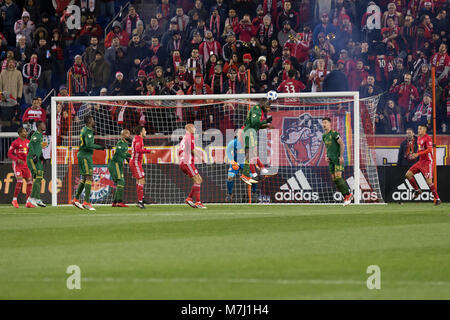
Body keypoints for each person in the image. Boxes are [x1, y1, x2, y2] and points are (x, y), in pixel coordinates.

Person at [72, 116, 106, 211]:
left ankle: (75, 199)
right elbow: (89, 145)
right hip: (85, 156)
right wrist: (101, 147)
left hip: (82, 155)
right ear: (90, 121)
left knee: (84, 178)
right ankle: (86, 202)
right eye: (93, 120)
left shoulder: (84, 129)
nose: (94, 121)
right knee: (89, 177)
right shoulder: (88, 131)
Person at [404, 124, 441, 206]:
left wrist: (417, 154)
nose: (418, 130)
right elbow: (420, 149)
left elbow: (429, 149)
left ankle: (437, 199)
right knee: (408, 175)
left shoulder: (427, 138)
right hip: (420, 161)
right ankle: (417, 190)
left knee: (429, 182)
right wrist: (415, 154)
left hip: (428, 162)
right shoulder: (419, 138)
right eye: (418, 128)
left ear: (425, 130)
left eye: (420, 129)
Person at [240, 99, 272, 185]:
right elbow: (255, 123)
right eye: (268, 107)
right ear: (264, 106)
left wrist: (266, 125)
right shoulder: (257, 109)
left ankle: (254, 174)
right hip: (249, 132)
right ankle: (246, 175)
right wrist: (266, 121)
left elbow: (257, 125)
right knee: (250, 154)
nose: (269, 110)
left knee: (252, 154)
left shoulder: (259, 110)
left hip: (251, 132)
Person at [321, 117, 353, 206]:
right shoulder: (324, 136)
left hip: (337, 159)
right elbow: (327, 148)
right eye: (323, 123)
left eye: (325, 122)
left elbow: (342, 144)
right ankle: (346, 197)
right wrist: (326, 156)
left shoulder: (334, 133)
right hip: (330, 160)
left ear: (330, 124)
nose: (324, 124)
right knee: (334, 179)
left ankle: (349, 194)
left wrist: (341, 156)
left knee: (338, 177)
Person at [179, 123, 206, 209]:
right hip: (187, 162)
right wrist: (200, 157)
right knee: (197, 180)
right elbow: (192, 149)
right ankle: (198, 202)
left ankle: (189, 198)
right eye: (194, 128)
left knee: (199, 179)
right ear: (189, 128)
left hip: (184, 162)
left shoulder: (184, 138)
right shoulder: (190, 136)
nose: (195, 129)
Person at [225, 134, 257, 203]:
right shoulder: (233, 142)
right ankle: (229, 194)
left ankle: (254, 193)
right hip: (235, 162)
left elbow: (252, 153)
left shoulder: (248, 143)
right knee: (230, 177)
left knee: (253, 177)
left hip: (245, 162)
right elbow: (228, 151)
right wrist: (231, 160)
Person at [8, 127, 33, 208]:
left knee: (29, 181)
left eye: (26, 132)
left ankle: (28, 202)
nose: (26, 133)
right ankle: (14, 200)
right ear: (20, 133)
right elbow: (9, 154)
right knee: (20, 180)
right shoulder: (15, 143)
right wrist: (17, 159)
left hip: (26, 164)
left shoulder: (28, 142)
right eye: (24, 132)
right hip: (18, 165)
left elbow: (29, 153)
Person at [130, 125, 153, 209]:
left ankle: (141, 199)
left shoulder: (137, 138)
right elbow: (138, 150)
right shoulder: (139, 139)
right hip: (135, 162)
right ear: (140, 132)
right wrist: (149, 151)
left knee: (139, 180)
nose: (146, 131)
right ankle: (140, 201)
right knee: (141, 180)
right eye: (144, 130)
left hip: (136, 162)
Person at [109, 129, 132, 208]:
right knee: (121, 181)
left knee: (120, 182)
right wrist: (128, 158)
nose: (129, 136)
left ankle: (115, 202)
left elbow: (125, 154)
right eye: (128, 134)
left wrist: (132, 157)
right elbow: (119, 152)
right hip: (115, 164)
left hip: (118, 165)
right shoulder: (120, 142)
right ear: (123, 135)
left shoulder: (125, 144)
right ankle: (119, 202)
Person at [26, 120, 47, 207]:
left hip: (37, 159)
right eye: (43, 124)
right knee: (37, 178)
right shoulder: (36, 134)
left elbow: (37, 146)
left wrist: (41, 155)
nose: (45, 126)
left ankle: (36, 199)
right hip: (32, 159)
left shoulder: (40, 135)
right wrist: (34, 155)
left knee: (40, 177)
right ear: (39, 126)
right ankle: (31, 198)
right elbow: (30, 145)